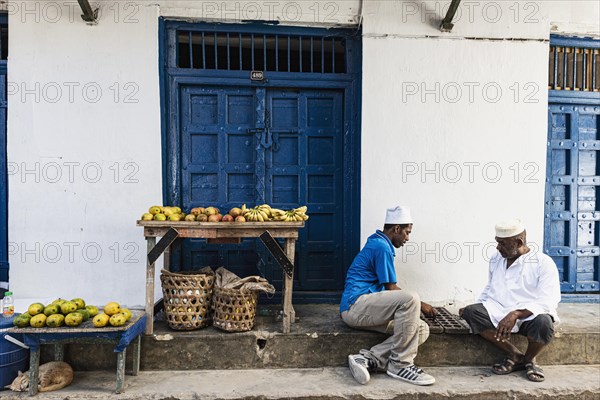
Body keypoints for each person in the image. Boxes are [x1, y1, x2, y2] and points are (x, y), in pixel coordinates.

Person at [340, 205, 437, 386]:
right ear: (396, 229)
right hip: (355, 307)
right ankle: (401, 365)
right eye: (407, 233)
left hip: (367, 309)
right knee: (411, 298)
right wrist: (422, 304)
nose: (407, 238)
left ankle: (368, 359)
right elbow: (391, 287)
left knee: (420, 329)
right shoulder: (381, 247)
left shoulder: (380, 243)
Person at [460, 219, 561, 382]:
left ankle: (529, 359)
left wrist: (516, 314)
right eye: (497, 242)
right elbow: (490, 286)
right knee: (471, 312)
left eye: (502, 243)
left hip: (529, 315)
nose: (497, 247)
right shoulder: (496, 258)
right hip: (498, 310)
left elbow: (549, 300)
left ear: (519, 242)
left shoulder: (543, 263)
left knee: (544, 323)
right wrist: (478, 305)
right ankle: (515, 354)